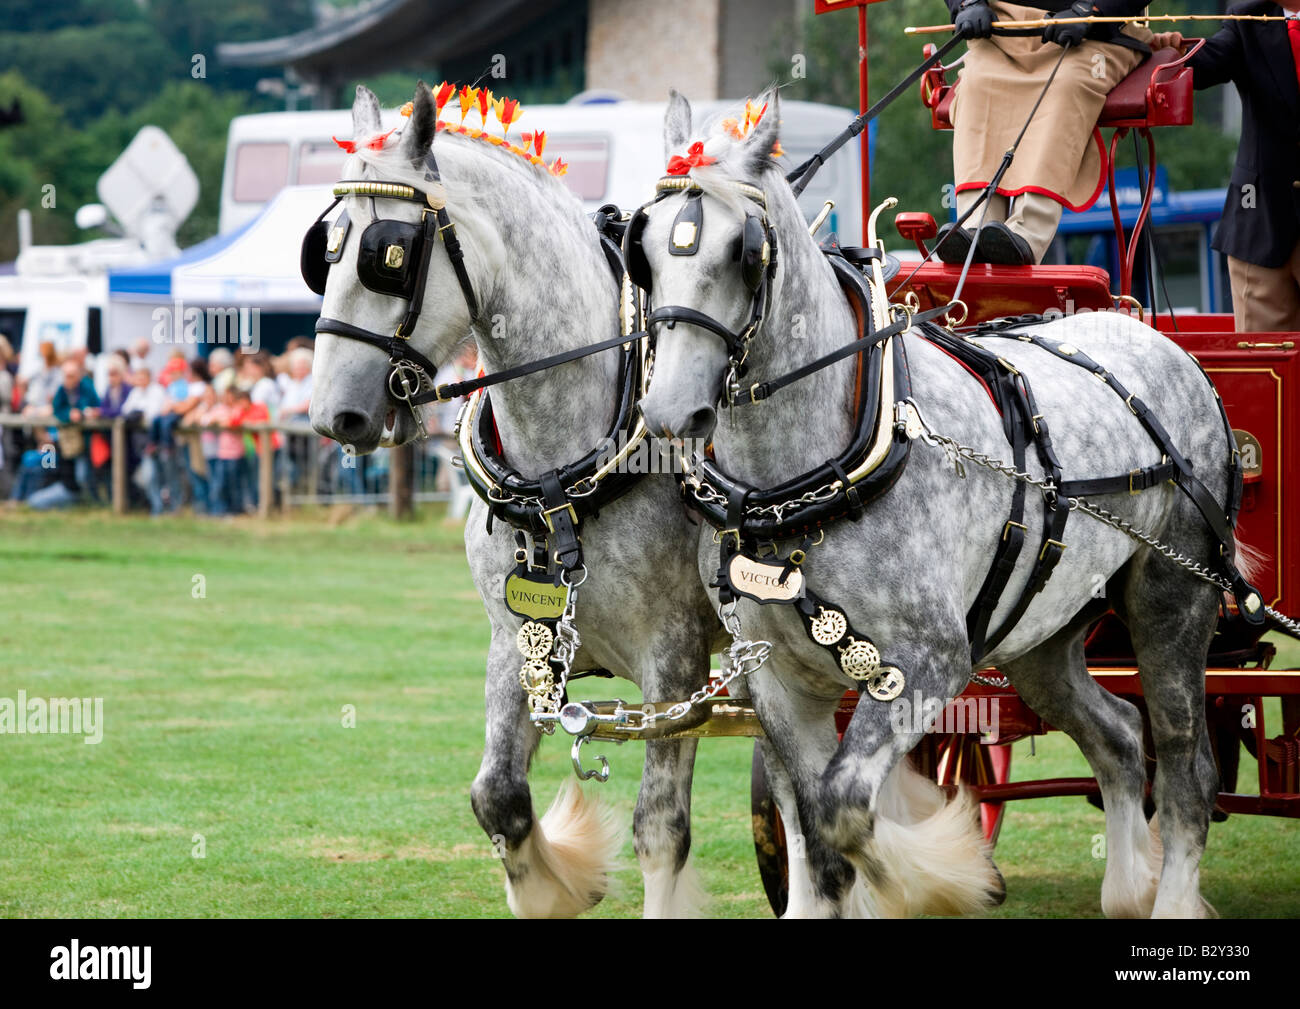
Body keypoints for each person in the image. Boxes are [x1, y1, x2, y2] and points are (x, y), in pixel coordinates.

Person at [941, 0, 1153, 265]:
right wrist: (967, 3)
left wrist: (1093, 9)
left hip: (1093, 37)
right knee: (976, 84)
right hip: (1002, 31)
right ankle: (975, 223)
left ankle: (1027, 234)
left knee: (1065, 86)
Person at [1155, 6, 1300, 330]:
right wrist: (1166, 52)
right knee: (1264, 366)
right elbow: (1202, 66)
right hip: (1262, 229)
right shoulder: (1249, 19)